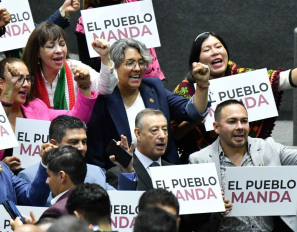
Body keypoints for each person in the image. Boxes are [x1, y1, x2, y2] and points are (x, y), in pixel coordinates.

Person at [173, 31, 297, 163]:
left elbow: (286, 79)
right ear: (197, 60)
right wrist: (195, 120)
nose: (214, 52)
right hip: (204, 162)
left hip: (246, 159)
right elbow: (174, 134)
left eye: (218, 47)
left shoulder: (244, 77)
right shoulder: (185, 90)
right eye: (207, 49)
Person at [190, 99, 297, 232]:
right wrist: (213, 207)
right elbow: (192, 215)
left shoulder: (268, 149)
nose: (240, 126)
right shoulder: (199, 160)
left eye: (244, 121)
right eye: (232, 121)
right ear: (216, 127)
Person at [86, 38, 209, 169]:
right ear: (115, 66)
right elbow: (95, 154)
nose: (137, 68)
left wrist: (202, 84)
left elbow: (194, 112)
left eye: (141, 63)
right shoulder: (102, 100)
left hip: (165, 170)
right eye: (130, 63)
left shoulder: (154, 88)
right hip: (122, 176)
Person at [0, 58, 98, 167]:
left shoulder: (37, 107)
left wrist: (84, 86)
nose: (26, 84)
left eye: (28, 78)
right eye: (19, 79)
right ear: (1, 83)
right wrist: (3, 167)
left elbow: (76, 120)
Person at [19, 115, 131, 191]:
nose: (81, 148)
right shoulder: (29, 176)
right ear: (53, 144)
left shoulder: (96, 173)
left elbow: (122, 203)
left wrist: (126, 168)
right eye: (74, 142)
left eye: (84, 142)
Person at [22, 23, 117, 111]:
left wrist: (105, 57)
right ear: (37, 52)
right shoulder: (27, 75)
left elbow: (106, 88)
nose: (59, 50)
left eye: (62, 44)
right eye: (51, 46)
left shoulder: (76, 68)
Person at [106, 109, 172, 191]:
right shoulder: (118, 174)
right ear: (138, 134)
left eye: (165, 130)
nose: (162, 136)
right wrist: (128, 171)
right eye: (154, 130)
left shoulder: (176, 171)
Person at [39, 146, 87, 220]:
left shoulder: (56, 212)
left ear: (62, 176)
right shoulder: (95, 203)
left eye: (49, 175)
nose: (47, 181)